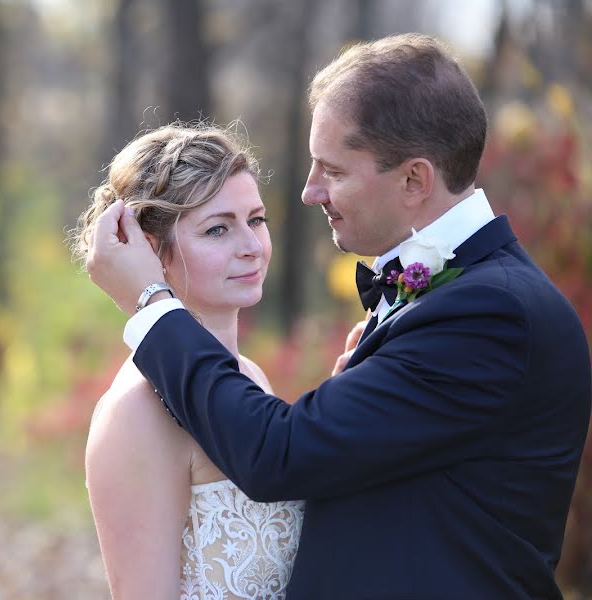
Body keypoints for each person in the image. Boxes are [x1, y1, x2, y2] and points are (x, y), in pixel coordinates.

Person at [85, 33, 591, 599]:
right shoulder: (454, 296)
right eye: (218, 227)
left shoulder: (492, 312)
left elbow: (278, 455)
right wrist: (360, 391)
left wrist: (152, 305)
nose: (309, 192)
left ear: (414, 180)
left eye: (334, 170)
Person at [72, 124, 306, 598]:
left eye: (256, 219)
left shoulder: (250, 376)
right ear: (149, 251)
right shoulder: (137, 413)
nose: (250, 246)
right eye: (218, 228)